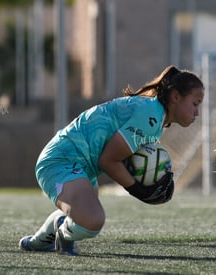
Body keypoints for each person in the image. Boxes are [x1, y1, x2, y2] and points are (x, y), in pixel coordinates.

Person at [19, 65, 205, 256]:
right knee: (92, 221)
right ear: (175, 97)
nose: (197, 112)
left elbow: (118, 158)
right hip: (61, 161)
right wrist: (139, 190)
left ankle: (37, 242)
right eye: (195, 103)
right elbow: (108, 160)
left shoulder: (155, 116)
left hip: (82, 165)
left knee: (83, 216)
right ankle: (62, 232)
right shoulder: (150, 116)